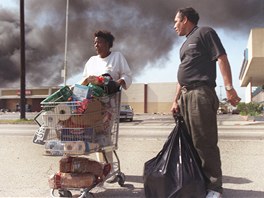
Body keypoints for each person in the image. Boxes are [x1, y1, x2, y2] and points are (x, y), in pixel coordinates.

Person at [171, 7, 241, 198]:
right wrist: (175, 100)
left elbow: (221, 57)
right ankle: (198, 182)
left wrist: (228, 86)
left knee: (204, 141)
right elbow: (181, 75)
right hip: (185, 95)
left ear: (185, 19)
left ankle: (214, 188)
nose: (174, 25)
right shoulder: (184, 45)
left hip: (200, 93)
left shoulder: (205, 32)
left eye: (176, 21)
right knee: (190, 143)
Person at [81, 30, 132, 182]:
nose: (96, 45)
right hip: (92, 106)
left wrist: (118, 82)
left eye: (100, 42)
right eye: (95, 42)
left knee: (105, 135)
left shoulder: (117, 57)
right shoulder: (91, 61)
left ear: (108, 44)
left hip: (109, 105)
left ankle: (108, 167)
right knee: (95, 136)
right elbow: (83, 81)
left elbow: (127, 75)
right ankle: (102, 167)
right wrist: (89, 81)